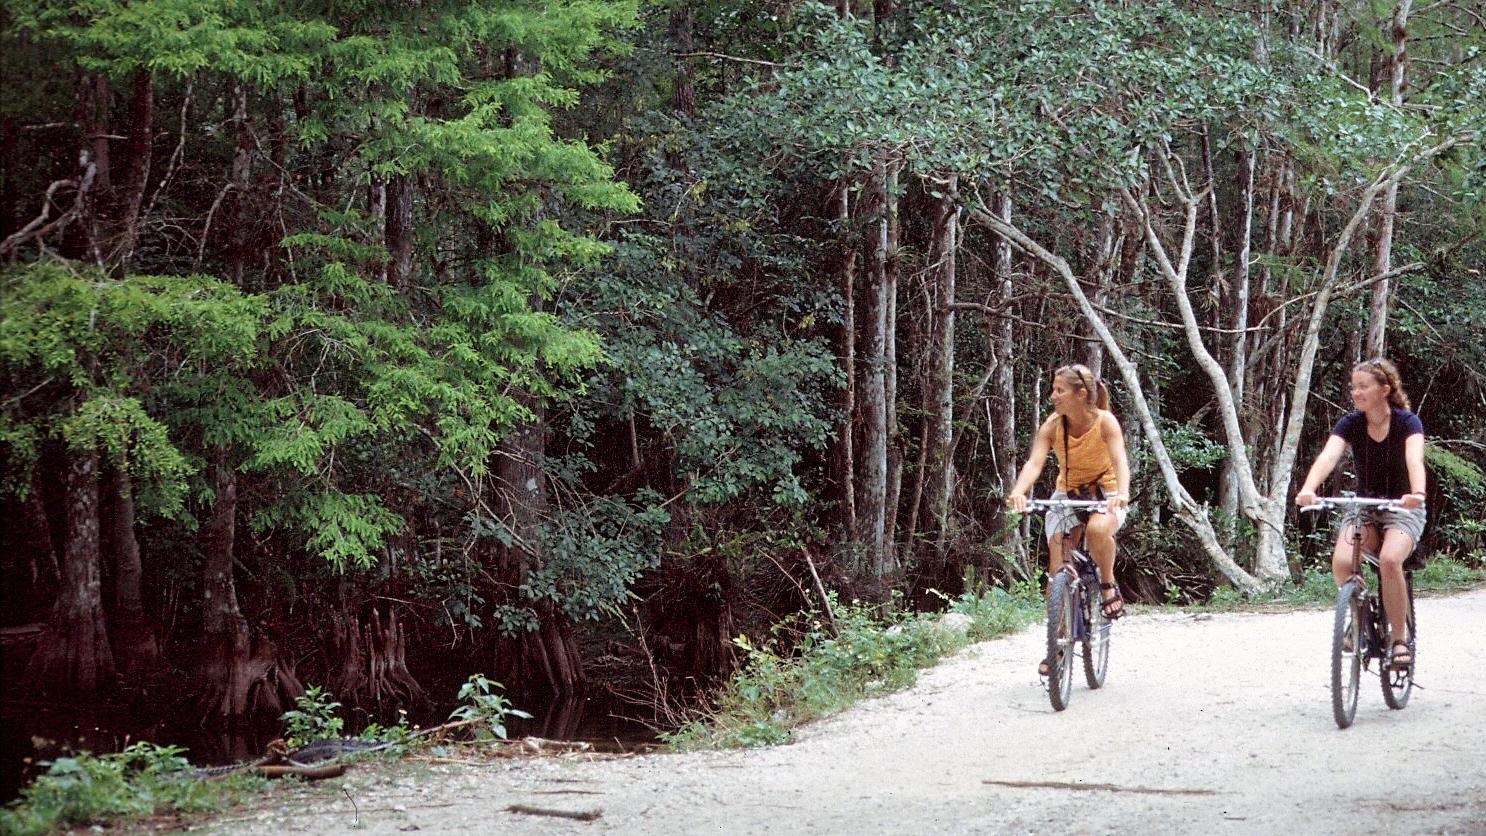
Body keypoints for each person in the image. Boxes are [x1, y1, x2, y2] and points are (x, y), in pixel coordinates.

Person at [1295, 358, 1426, 668]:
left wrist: (1417, 494)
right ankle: (1359, 613)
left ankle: (1398, 640)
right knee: (1342, 561)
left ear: (1385, 389)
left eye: (1363, 386)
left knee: (1390, 560)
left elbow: (1414, 462)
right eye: (1353, 387)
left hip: (1401, 507)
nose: (1356, 392)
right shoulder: (1350, 424)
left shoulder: (1408, 423)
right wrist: (1309, 489)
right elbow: (1328, 457)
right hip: (1365, 507)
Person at [1006, 364, 1131, 675]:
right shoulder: (1053, 425)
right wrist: (1019, 492)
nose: (1053, 396)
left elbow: (1120, 461)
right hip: (1067, 494)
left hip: (1106, 492)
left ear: (1081, 394)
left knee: (1099, 529)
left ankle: (1107, 582)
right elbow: (1035, 463)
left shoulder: (1105, 423)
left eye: (1059, 390)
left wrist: (1122, 494)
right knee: (1057, 567)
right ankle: (1058, 643)